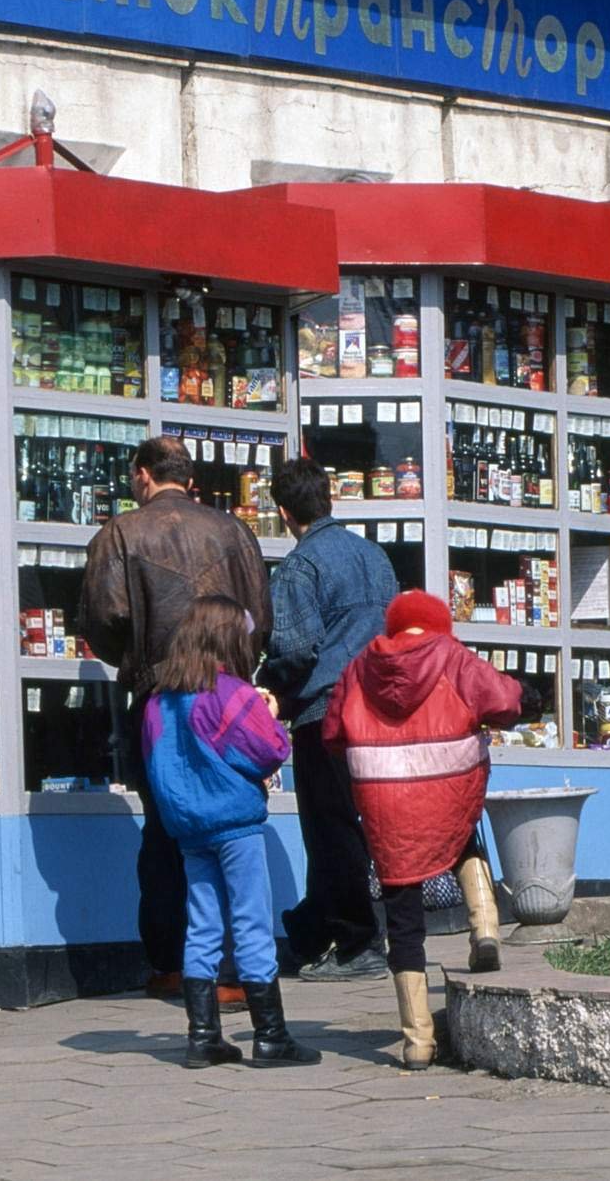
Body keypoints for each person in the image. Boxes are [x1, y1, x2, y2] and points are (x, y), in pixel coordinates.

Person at [80, 436, 271, 1002]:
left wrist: (141, 660)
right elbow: (261, 616)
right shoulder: (234, 531)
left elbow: (104, 618)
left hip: (160, 697)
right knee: (233, 828)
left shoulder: (121, 532)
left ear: (143, 475)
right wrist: (235, 670)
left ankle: (171, 963)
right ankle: (236, 970)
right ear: (186, 478)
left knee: (166, 831)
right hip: (226, 695)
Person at [323, 590, 518, 1070]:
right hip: (446, 783)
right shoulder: (452, 657)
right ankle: (485, 927)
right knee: (460, 837)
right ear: (438, 625)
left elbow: (332, 733)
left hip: (384, 799)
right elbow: (506, 702)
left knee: (403, 913)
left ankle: (417, 1043)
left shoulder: (358, 667)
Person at [140, 595, 318, 1069]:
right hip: (235, 824)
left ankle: (203, 1037)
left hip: (189, 828)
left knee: (201, 926)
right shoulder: (230, 692)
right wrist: (273, 712)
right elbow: (269, 750)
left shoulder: (159, 700)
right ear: (229, 639)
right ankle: (271, 1036)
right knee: (251, 922)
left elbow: (156, 766)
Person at [258, 456, 398, 982]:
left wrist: (269, 688)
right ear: (328, 498)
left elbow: (295, 649)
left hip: (325, 712)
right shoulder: (375, 556)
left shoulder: (300, 567)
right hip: (380, 712)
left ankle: (360, 942)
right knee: (357, 824)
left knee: (330, 828)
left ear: (283, 511)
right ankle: (313, 930)